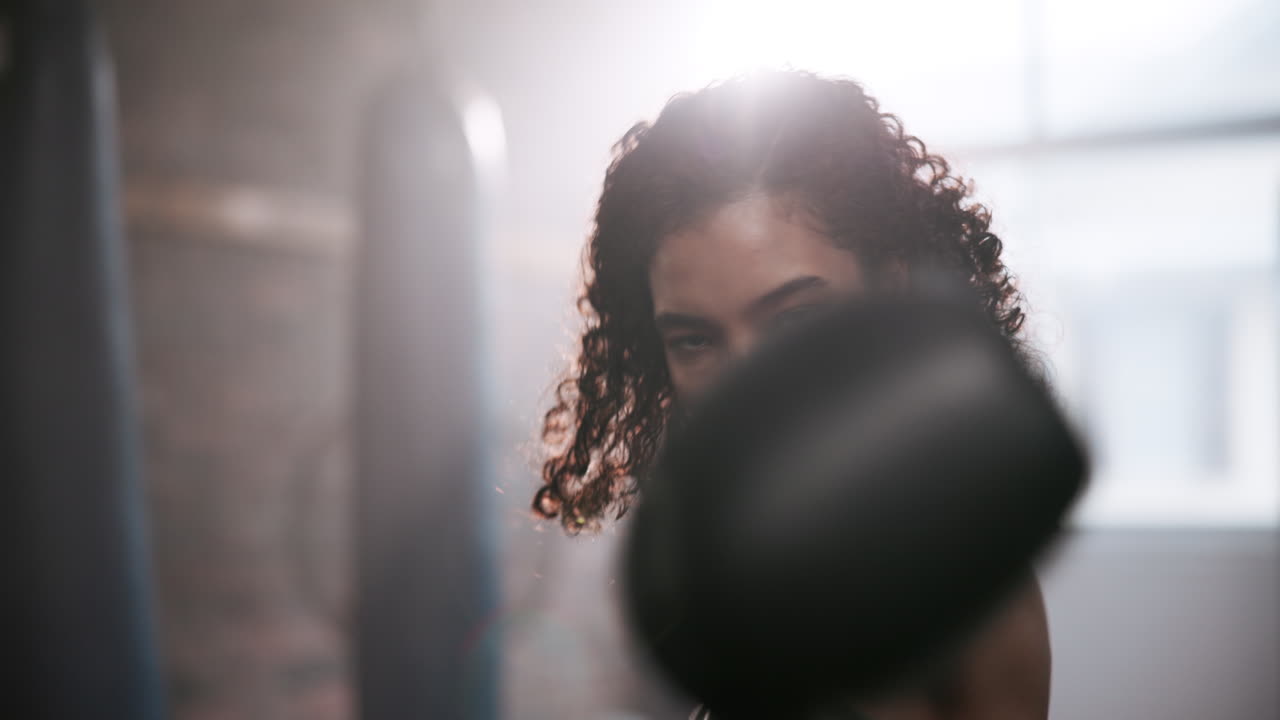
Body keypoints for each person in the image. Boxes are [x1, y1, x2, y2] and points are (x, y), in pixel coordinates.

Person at [531, 69, 1052, 720]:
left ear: (890, 293)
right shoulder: (719, 556)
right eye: (696, 340)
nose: (745, 381)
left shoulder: (962, 581)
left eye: (794, 319)